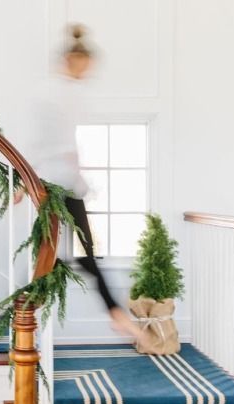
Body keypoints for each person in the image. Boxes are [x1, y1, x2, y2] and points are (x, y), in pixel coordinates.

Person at [16, 24, 147, 344]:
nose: (87, 73)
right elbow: (49, 143)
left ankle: (113, 313)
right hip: (56, 183)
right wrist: (27, 181)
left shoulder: (64, 92)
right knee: (68, 252)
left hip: (59, 181)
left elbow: (54, 144)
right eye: (84, 66)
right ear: (72, 61)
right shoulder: (56, 92)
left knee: (74, 252)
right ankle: (113, 313)